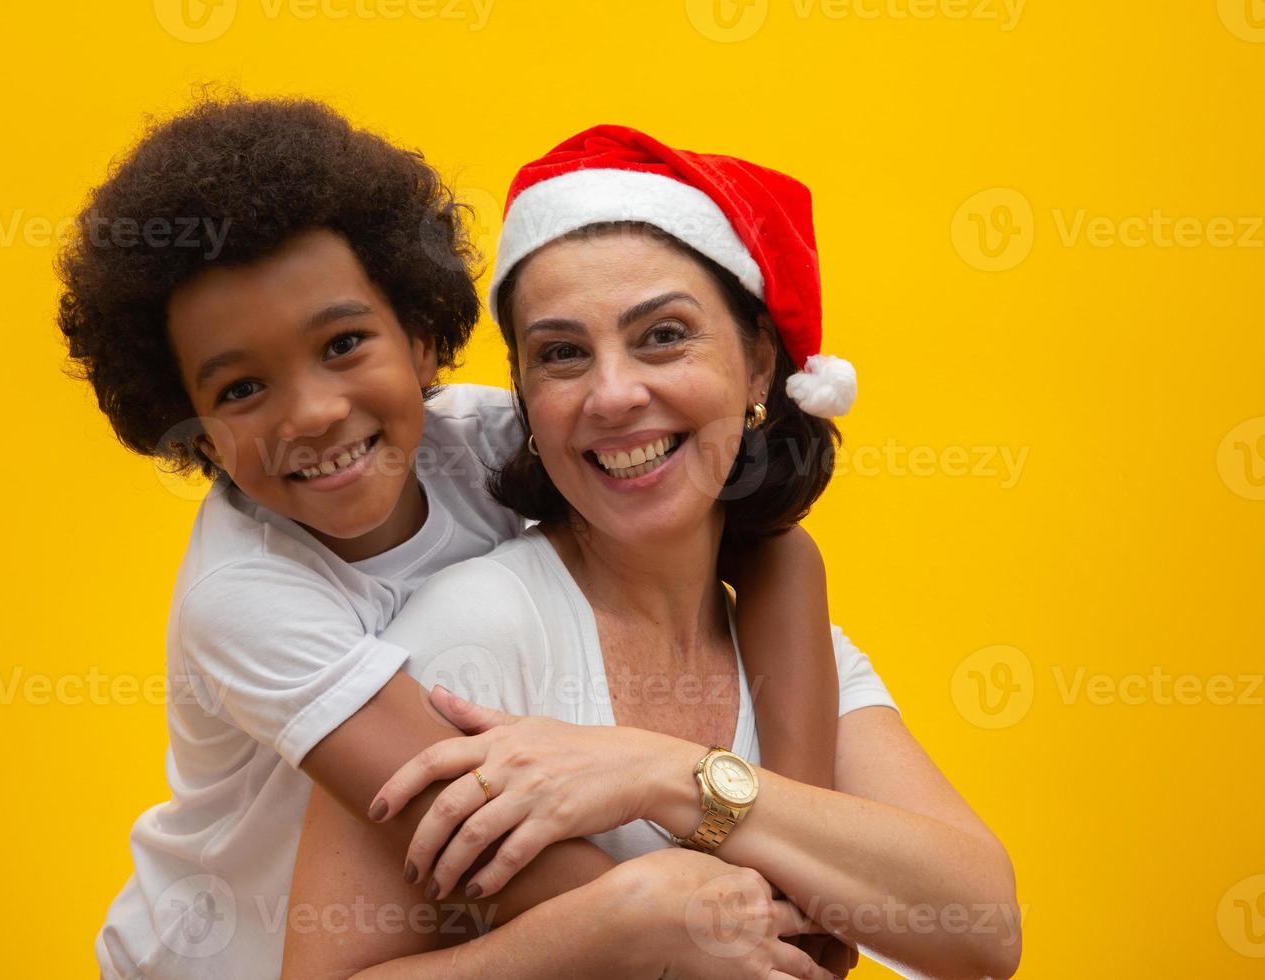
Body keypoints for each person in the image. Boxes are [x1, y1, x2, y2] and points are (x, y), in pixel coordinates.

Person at [57, 98, 847, 978]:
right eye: (241, 390)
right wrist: (727, 924)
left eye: (345, 343)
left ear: (427, 341)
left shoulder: (489, 443)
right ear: (193, 431)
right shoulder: (244, 598)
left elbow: (772, 547)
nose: (314, 412)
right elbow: (472, 824)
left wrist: (793, 846)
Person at [281, 126, 1020, 979]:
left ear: (756, 367)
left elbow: (983, 929)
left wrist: (659, 774)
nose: (614, 393)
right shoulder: (480, 628)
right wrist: (614, 925)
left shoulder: (788, 648)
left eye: (664, 335)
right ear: (526, 395)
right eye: (561, 355)